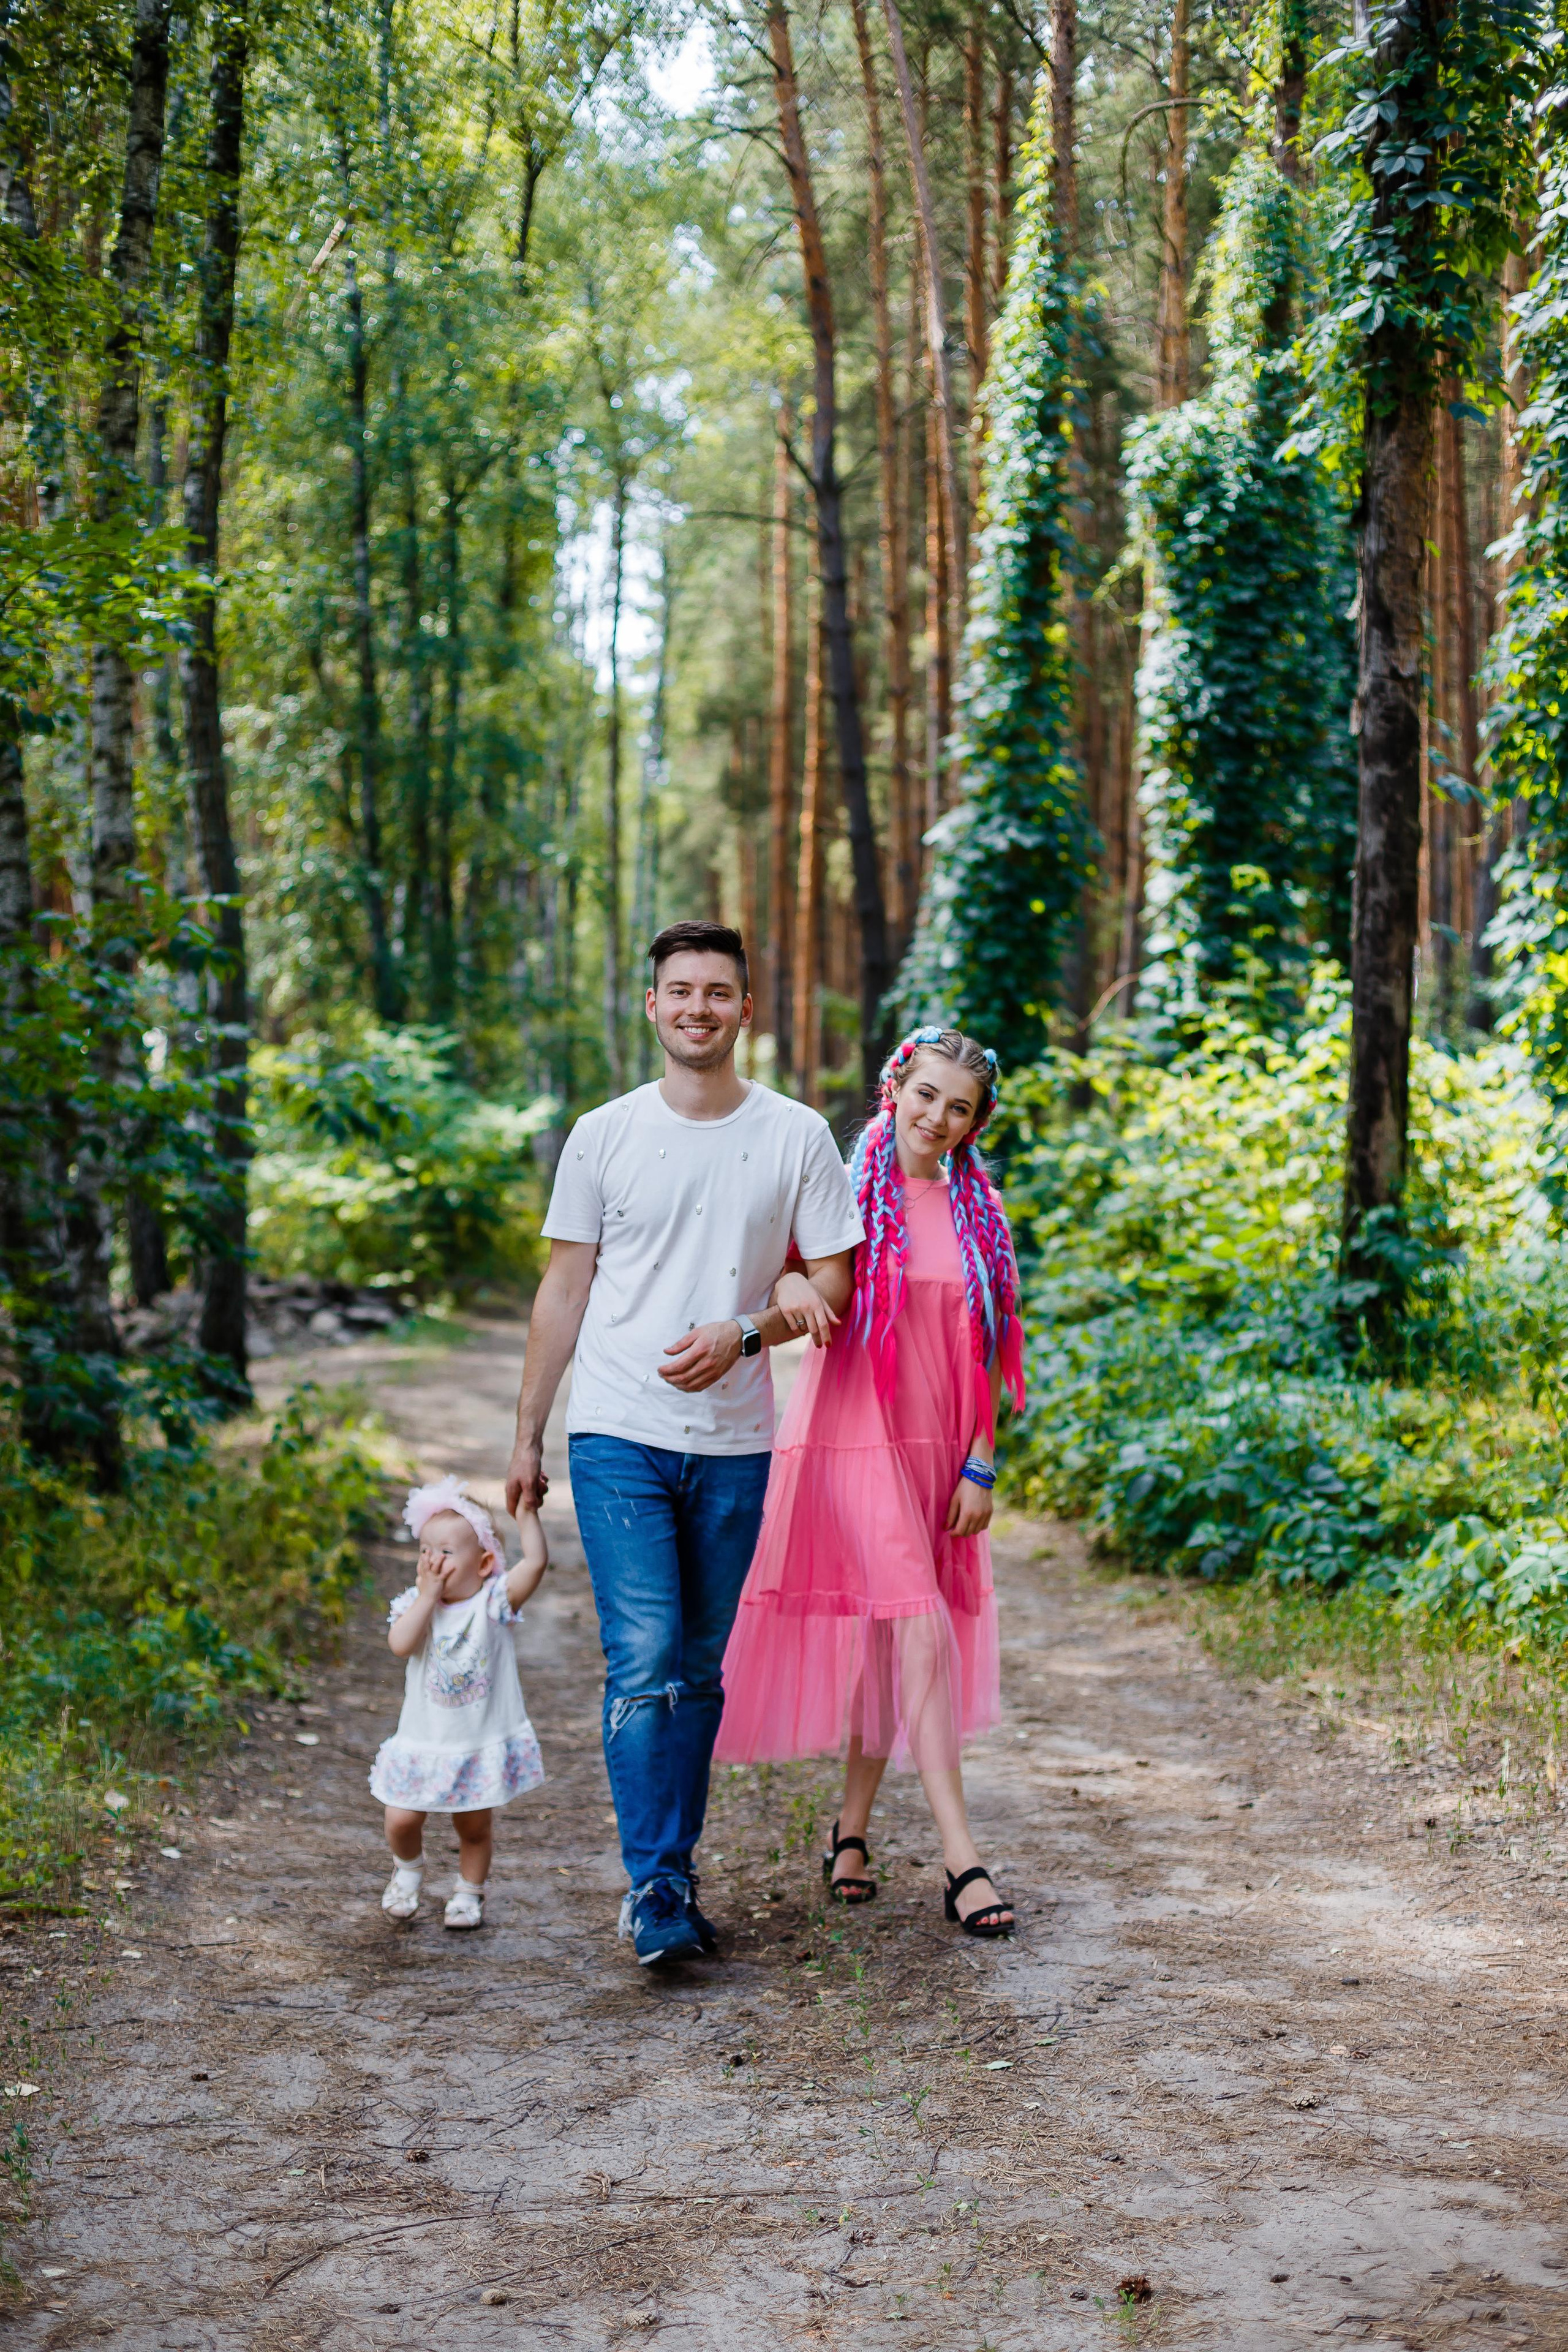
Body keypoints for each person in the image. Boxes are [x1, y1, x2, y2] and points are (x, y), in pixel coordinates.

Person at [503, 919, 862, 1966]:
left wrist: (745, 1332)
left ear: (745, 1009)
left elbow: (833, 1284)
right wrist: (528, 1435)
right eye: (680, 991)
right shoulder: (602, 1133)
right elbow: (563, 1289)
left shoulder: (796, 1134)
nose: (697, 1008)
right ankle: (655, 1885)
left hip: (738, 1441)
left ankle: (674, 1868)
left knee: (699, 1668)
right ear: (654, 1005)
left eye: (717, 992)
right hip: (617, 1430)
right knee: (647, 1654)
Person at [715, 1026, 1027, 1937]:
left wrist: (980, 1460)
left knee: (896, 1643)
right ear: (895, 1088)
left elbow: (986, 1350)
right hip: (853, 1438)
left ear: (975, 1123)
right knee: (920, 1627)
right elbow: (779, 1281)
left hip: (940, 1450)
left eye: (959, 1107)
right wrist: (790, 1290)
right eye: (926, 1094)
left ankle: (848, 1832)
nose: (937, 1117)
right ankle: (962, 1860)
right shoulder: (839, 1193)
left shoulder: (982, 1216)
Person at [372, 1475, 549, 1930]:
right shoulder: (417, 1605)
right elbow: (400, 1645)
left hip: (474, 1745)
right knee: (400, 1817)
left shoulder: (493, 1603)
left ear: (485, 1563)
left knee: (473, 1828)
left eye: (446, 1552)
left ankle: (469, 1892)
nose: (431, 1561)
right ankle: (408, 1871)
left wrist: (526, 1514)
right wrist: (428, 1597)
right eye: (425, 1550)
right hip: (423, 1742)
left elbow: (535, 1563)